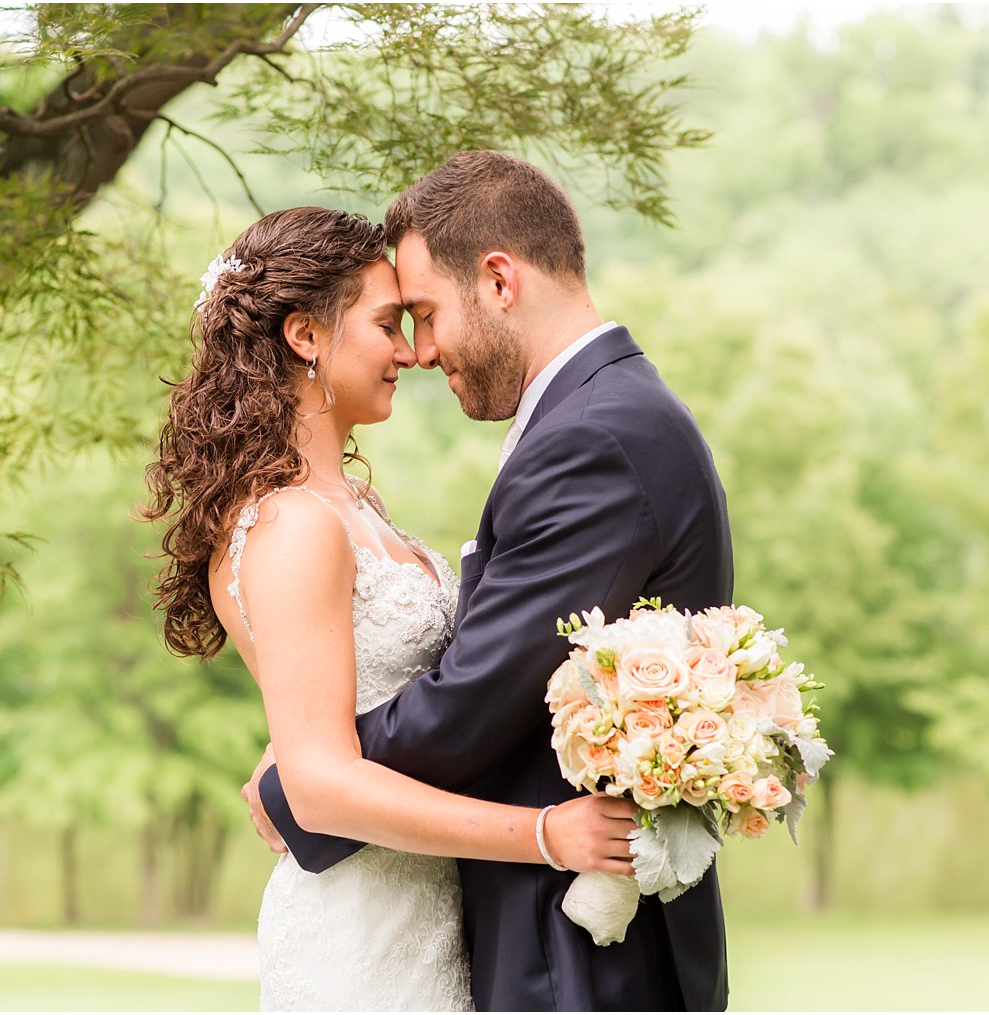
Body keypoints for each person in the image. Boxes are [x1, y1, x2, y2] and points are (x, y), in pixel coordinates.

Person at [246, 153, 733, 1011]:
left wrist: (304, 778)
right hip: (527, 923)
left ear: (499, 280)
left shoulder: (596, 438)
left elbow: (478, 695)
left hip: (583, 950)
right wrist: (317, 752)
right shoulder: (596, 415)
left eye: (426, 315)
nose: (421, 352)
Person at [143, 205, 644, 1011]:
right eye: (386, 324)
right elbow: (321, 790)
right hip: (360, 933)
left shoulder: (354, 506)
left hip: (432, 910)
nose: (410, 352)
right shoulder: (290, 523)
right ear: (306, 336)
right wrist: (547, 834)